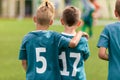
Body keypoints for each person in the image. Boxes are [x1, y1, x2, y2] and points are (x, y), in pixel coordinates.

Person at [18, 0, 85, 80]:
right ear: (51, 22)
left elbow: (24, 62)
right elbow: (72, 43)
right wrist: (80, 33)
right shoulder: (55, 37)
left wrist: (31, 73)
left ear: (34, 19)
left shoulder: (27, 38)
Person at [59, 6, 90, 80]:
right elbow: (84, 59)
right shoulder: (83, 41)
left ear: (62, 21)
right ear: (79, 23)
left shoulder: (57, 39)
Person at [97, 0, 120, 80]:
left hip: (114, 75)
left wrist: (114, 57)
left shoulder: (108, 29)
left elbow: (101, 54)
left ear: (115, 13)